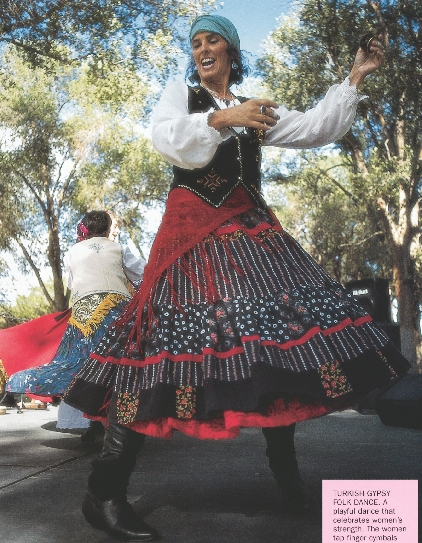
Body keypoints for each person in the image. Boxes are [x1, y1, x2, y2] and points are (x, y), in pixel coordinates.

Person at [63, 15, 410, 542]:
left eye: (213, 41)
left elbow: (315, 126)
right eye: (196, 43)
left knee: (276, 343)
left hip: (251, 230)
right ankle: (104, 494)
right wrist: (225, 119)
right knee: (152, 350)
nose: (203, 49)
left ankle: (288, 480)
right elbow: (165, 139)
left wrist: (357, 74)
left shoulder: (255, 105)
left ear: (231, 51)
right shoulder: (181, 96)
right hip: (192, 232)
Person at [6, 211, 145, 441]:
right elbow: (141, 274)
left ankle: (95, 425)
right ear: (108, 228)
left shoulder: (73, 251)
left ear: (86, 229)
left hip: (83, 318)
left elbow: (72, 282)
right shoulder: (118, 248)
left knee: (83, 367)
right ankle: (120, 425)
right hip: (115, 313)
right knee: (119, 367)